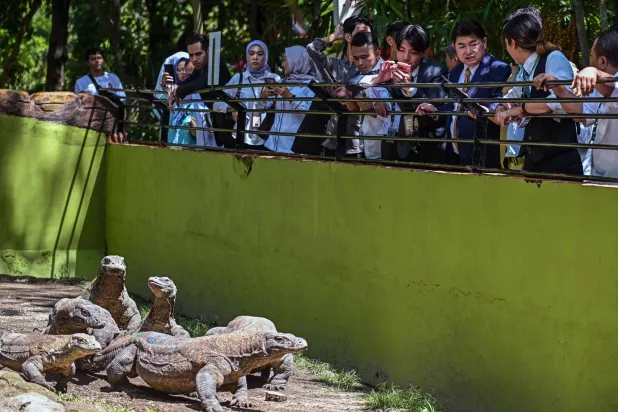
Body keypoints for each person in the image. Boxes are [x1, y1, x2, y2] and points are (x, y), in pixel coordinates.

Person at [495, 12, 582, 175]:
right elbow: (512, 96)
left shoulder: (553, 58)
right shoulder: (524, 70)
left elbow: (560, 101)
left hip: (560, 158)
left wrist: (520, 109)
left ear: (512, 43)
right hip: (534, 156)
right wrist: (502, 107)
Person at [533, 25, 618, 179]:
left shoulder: (606, 83)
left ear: (603, 61)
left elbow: (611, 87)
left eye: (591, 57)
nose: (589, 61)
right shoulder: (598, 87)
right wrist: (558, 87)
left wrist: (593, 72)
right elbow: (580, 113)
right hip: (601, 178)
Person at [374, 24, 449, 162]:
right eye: (401, 50)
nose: (405, 57)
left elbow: (436, 109)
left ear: (423, 52)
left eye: (413, 52)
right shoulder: (390, 69)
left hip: (426, 148)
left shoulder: (436, 72)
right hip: (392, 146)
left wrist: (411, 89)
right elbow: (365, 86)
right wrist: (376, 98)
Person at [446, 18, 511, 168]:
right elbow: (452, 108)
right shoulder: (455, 73)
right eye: (461, 46)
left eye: (473, 44)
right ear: (454, 48)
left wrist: (480, 108)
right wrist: (434, 109)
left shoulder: (498, 69)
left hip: (485, 155)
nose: (468, 51)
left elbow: (501, 104)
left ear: (485, 43)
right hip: (456, 155)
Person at [306, 15, 373, 157]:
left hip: (359, 144)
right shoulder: (335, 65)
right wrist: (336, 35)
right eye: (361, 34)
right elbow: (312, 49)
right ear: (348, 37)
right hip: (332, 139)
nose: (366, 38)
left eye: (368, 35)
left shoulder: (372, 68)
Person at [213, 40, 280, 150]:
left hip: (265, 138)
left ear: (266, 56)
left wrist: (263, 98)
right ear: (247, 56)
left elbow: (273, 106)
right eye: (251, 53)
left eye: (260, 54)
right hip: (239, 136)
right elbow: (216, 103)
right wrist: (230, 108)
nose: (255, 57)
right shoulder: (238, 79)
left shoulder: (274, 79)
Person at [167, 34, 232, 147]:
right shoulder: (200, 69)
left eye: (198, 54)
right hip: (215, 128)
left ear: (207, 51)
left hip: (229, 128)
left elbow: (198, 84)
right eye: (191, 55)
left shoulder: (216, 66)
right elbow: (188, 83)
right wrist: (175, 88)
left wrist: (178, 91)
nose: (194, 59)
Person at [259, 46, 316, 154]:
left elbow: (311, 116)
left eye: (285, 59)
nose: (282, 64)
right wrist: (263, 96)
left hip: (293, 149)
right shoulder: (282, 82)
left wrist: (290, 97)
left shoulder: (312, 85)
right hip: (272, 145)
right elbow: (262, 108)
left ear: (296, 60)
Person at [168, 58, 197, 145]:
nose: (184, 72)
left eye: (186, 70)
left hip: (189, 151)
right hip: (172, 149)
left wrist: (189, 119)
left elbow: (197, 133)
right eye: (180, 69)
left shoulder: (198, 97)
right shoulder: (172, 97)